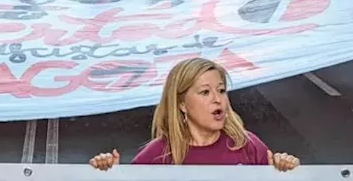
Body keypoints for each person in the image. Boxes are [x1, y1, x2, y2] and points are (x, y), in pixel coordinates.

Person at [88, 58, 300, 170]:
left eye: (221, 90)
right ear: (181, 104)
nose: (217, 99)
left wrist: (286, 171)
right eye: (205, 92)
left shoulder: (248, 145)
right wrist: (108, 177)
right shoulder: (157, 155)